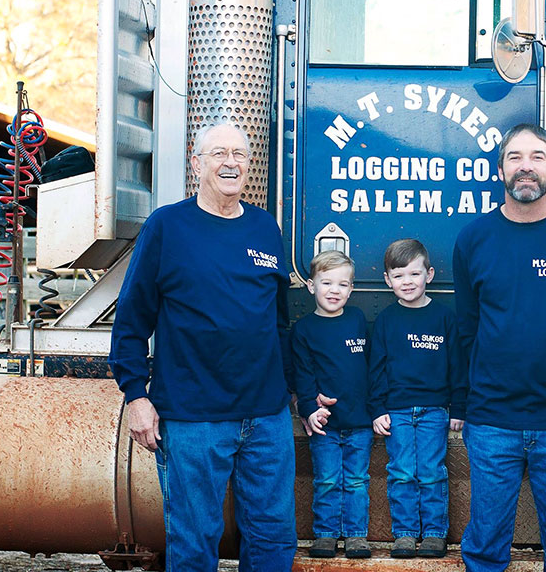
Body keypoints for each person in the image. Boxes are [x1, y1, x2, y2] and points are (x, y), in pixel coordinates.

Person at [108, 123, 296, 572]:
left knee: (273, 539)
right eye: (218, 154)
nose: (230, 163)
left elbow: (279, 322)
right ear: (196, 164)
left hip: (266, 418)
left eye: (239, 154)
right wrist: (136, 395)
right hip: (194, 418)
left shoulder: (265, 227)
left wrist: (293, 393)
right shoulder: (166, 226)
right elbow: (131, 319)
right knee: (194, 545)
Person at [453, 123, 546, 571]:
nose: (526, 167)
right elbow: (466, 330)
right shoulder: (474, 239)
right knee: (484, 547)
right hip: (492, 420)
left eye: (537, 157)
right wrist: (463, 404)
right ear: (501, 170)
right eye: (515, 157)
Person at [369, 239, 466, 559]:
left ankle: (436, 533)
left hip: (434, 410)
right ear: (387, 280)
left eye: (414, 274)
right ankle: (406, 533)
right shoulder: (385, 320)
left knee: (431, 471)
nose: (407, 282)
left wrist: (459, 406)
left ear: (430, 274)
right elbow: (377, 369)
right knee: (401, 471)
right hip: (396, 410)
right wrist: (378, 408)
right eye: (398, 276)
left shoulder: (444, 318)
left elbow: (457, 365)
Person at [291, 250, 373, 559]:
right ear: (311, 286)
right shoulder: (303, 330)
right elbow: (303, 374)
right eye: (326, 283)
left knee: (356, 481)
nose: (334, 291)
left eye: (342, 284)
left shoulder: (357, 320)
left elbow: (370, 366)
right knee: (326, 479)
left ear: (351, 289)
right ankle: (325, 534)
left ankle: (355, 535)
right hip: (324, 425)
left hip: (360, 422)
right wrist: (310, 409)